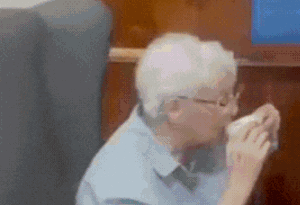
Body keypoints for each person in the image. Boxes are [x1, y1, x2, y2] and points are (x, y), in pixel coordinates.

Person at [77, 33, 281, 205]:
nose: (234, 110)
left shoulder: (184, 137)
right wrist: (238, 189)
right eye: (222, 101)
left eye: (233, 97)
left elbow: (232, 154)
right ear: (174, 108)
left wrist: (261, 132)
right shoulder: (121, 192)